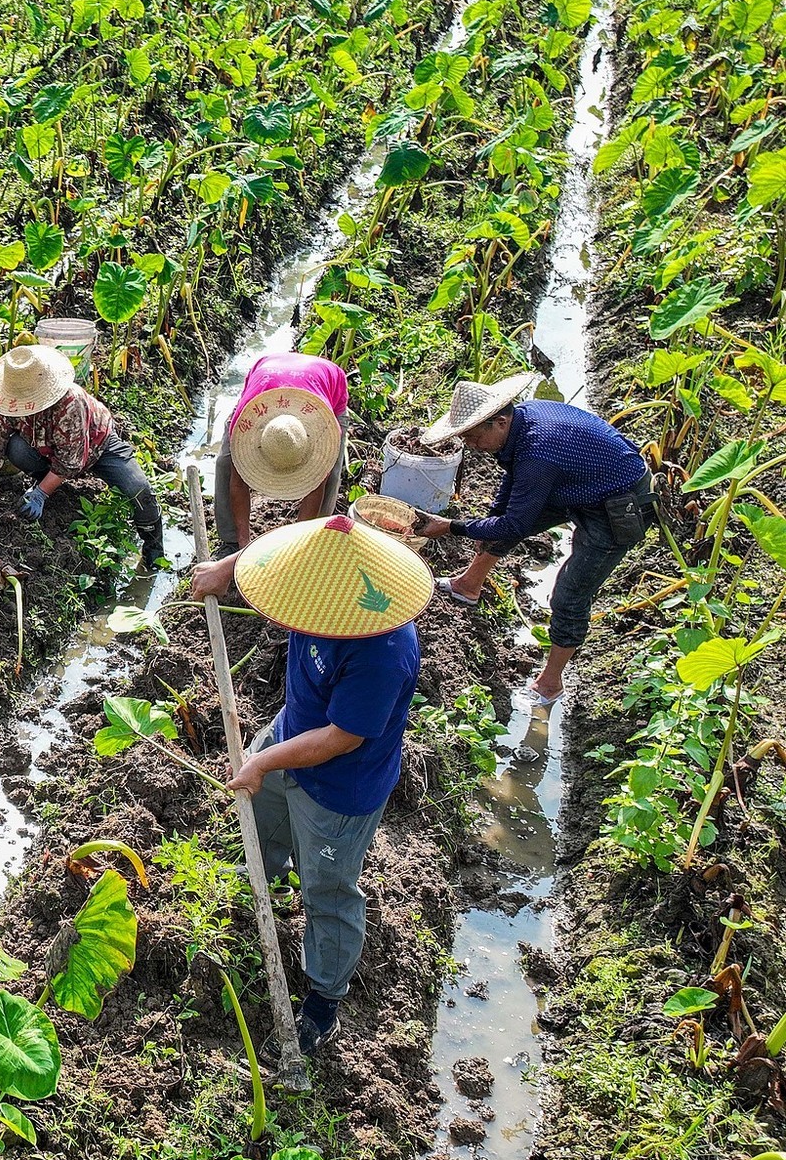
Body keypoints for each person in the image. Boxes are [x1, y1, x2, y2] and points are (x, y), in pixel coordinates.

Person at [192, 515, 432, 1057]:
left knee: (327, 888)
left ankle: (325, 998)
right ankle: (260, 881)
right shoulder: (318, 587)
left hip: (338, 786)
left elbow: (340, 739)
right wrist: (228, 568)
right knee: (264, 822)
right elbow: (279, 553)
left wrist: (263, 760)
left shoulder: (381, 651)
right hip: (291, 735)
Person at [412, 373, 653, 705]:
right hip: (580, 483)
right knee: (498, 522)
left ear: (498, 422)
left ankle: (550, 684)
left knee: (569, 596)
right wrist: (490, 519)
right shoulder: (524, 420)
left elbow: (514, 524)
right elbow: (512, 489)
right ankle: (469, 585)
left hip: (617, 505)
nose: (470, 445)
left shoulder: (539, 450)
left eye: (472, 437)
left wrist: (451, 526)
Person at [0, 344, 164, 564]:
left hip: (97, 444)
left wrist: (40, 494)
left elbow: (70, 461)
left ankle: (153, 549)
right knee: (16, 448)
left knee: (139, 490)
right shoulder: (7, 403)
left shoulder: (70, 404)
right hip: (45, 447)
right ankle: (45, 480)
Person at [215, 353, 350, 556]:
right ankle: (231, 542)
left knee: (330, 474)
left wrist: (294, 551)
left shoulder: (324, 429)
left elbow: (316, 488)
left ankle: (312, 540)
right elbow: (238, 482)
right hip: (263, 389)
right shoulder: (246, 421)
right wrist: (243, 549)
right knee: (225, 463)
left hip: (325, 391)